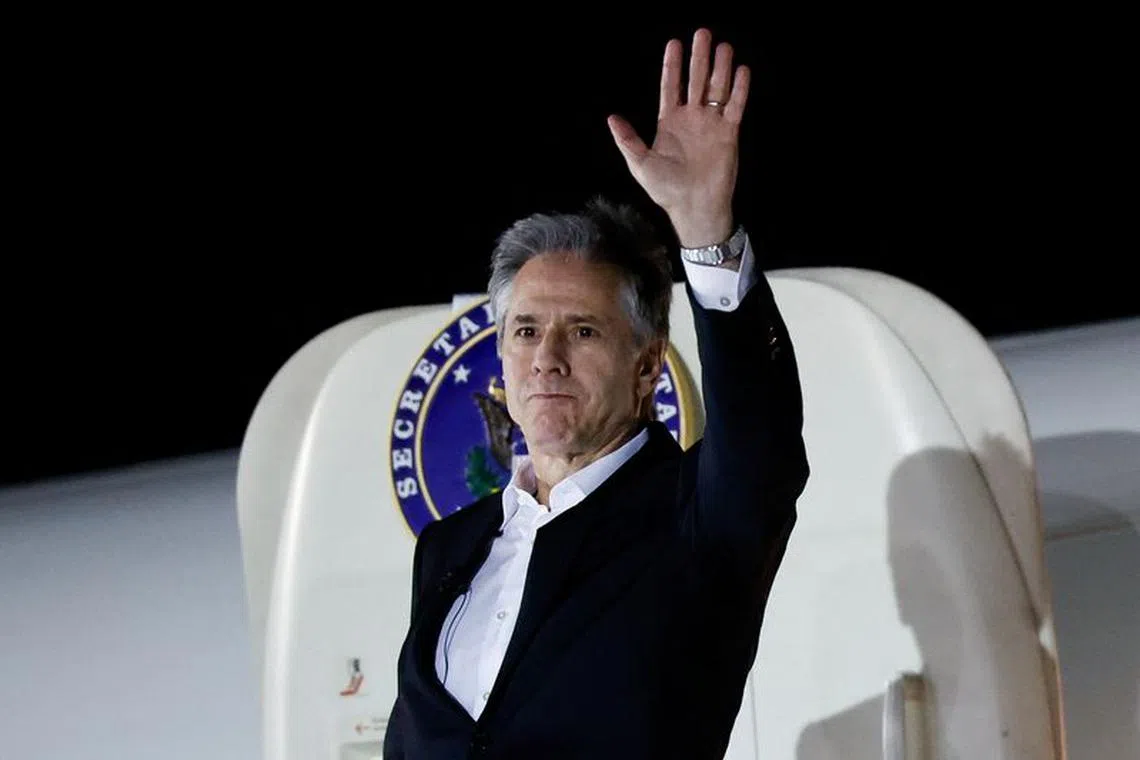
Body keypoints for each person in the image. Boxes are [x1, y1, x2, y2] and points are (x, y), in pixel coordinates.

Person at [383, 28, 809, 759]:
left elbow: (760, 426)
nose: (545, 358)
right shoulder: (448, 547)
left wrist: (704, 227)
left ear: (647, 368)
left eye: (582, 332)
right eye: (524, 332)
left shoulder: (699, 517)